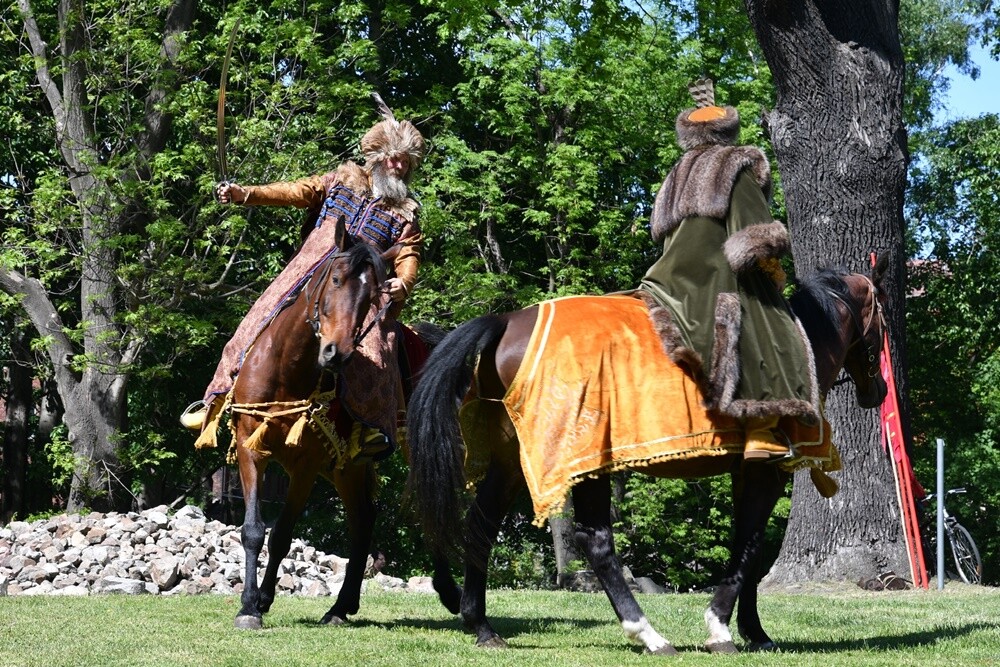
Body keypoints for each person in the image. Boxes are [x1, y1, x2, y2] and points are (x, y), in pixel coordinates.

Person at [182, 93, 425, 462]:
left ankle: (369, 428)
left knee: (379, 347)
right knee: (255, 321)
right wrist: (246, 193)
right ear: (377, 157)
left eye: (404, 163)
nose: (397, 167)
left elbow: (408, 254)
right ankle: (214, 401)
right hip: (307, 274)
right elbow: (295, 191)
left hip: (362, 291)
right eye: (393, 158)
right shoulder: (340, 181)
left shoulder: (404, 213)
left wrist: (403, 282)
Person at [638, 79, 820, 461]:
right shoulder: (738, 164)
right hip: (713, 277)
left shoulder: (674, 176)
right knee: (774, 323)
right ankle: (761, 430)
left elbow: (666, 238)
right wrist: (775, 271)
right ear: (729, 131)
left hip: (664, 280)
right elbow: (749, 243)